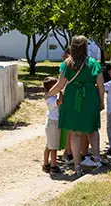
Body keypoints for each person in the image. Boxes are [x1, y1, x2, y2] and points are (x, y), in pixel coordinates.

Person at [45, 36, 105, 176]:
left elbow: (60, 85)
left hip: (72, 98)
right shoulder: (93, 63)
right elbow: (100, 85)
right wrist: (101, 101)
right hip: (90, 98)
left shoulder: (67, 64)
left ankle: (77, 167)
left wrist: (48, 94)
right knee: (92, 129)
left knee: (74, 133)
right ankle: (97, 160)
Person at [42, 77, 62, 173]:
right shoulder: (50, 99)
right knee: (53, 146)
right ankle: (53, 165)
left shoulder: (52, 97)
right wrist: (61, 92)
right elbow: (60, 102)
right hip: (53, 123)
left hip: (53, 122)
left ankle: (46, 164)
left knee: (49, 145)